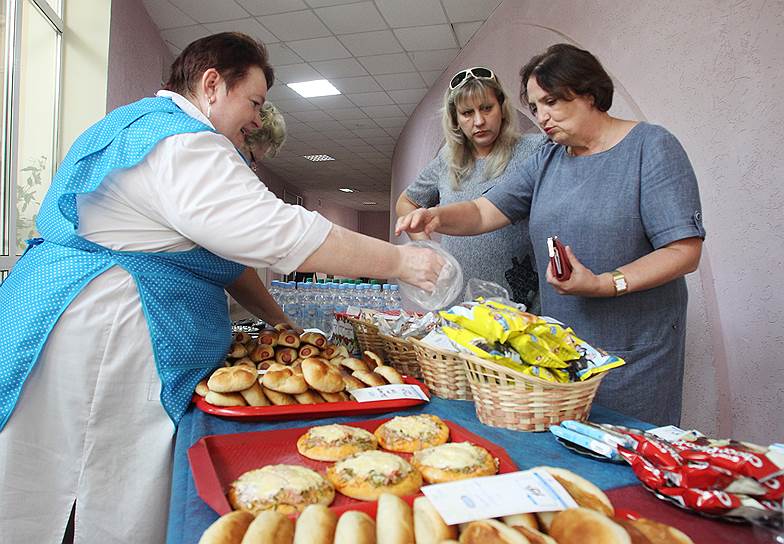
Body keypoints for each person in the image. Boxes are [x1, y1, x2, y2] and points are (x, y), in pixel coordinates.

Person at [0, 32, 442, 543]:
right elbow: (276, 233)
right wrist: (400, 261)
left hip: (68, 309)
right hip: (104, 329)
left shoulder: (141, 124)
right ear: (212, 85)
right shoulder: (183, 144)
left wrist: (279, 321)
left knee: (62, 473)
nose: (257, 118)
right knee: (89, 483)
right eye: (253, 101)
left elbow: (227, 259)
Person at [396, 44, 705, 426]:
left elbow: (683, 250)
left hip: (633, 350)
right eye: (536, 106)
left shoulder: (651, 148)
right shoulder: (549, 159)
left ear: (590, 93)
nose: (541, 117)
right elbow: (481, 211)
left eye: (552, 102)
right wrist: (434, 216)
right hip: (560, 350)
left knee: (627, 455)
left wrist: (606, 284)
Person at [396, 67, 546, 309]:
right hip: (457, 302)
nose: (479, 121)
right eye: (467, 113)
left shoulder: (535, 150)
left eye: (487, 108)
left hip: (518, 302)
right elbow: (406, 203)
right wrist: (429, 248)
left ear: (502, 107)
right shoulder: (447, 160)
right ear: (455, 119)